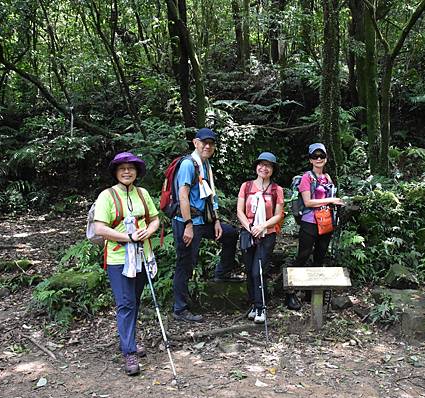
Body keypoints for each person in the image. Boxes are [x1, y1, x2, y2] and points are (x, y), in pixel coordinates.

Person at [93, 152, 160, 376]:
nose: (127, 172)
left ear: (137, 171)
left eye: (131, 168)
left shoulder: (143, 194)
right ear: (115, 172)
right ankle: (129, 352)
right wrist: (129, 238)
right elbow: (100, 228)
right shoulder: (107, 196)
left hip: (142, 255)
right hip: (118, 258)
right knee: (125, 303)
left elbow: (155, 219)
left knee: (135, 300)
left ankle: (128, 341)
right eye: (122, 168)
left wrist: (147, 231)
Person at [172, 127, 238, 323]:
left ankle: (222, 273)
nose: (207, 146)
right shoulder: (188, 165)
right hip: (187, 222)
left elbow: (210, 195)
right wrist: (188, 225)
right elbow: (183, 196)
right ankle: (180, 309)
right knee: (185, 264)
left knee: (230, 234)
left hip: (204, 220)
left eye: (211, 143)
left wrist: (216, 220)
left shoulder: (205, 164)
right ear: (195, 143)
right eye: (204, 142)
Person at [286, 143, 344, 310]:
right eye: (315, 156)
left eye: (322, 156)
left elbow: (330, 197)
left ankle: (312, 293)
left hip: (326, 223)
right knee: (303, 256)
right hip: (310, 222)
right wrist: (331, 200)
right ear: (310, 159)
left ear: (326, 158)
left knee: (319, 257)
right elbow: (308, 202)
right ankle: (290, 293)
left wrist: (336, 203)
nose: (319, 159)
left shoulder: (328, 178)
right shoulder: (307, 177)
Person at [237, 152, 284, 324]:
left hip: (267, 234)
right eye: (261, 164)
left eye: (268, 166)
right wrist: (250, 228)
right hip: (247, 233)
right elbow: (239, 211)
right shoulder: (246, 186)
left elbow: (279, 215)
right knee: (249, 271)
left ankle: (261, 307)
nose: (264, 168)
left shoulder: (276, 190)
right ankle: (253, 305)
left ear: (272, 170)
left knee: (259, 271)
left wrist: (262, 226)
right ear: (256, 166)